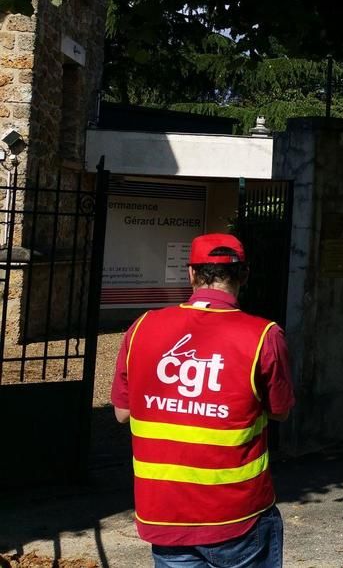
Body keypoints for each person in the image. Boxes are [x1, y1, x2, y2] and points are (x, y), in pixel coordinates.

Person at [110, 233, 294, 568]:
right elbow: (279, 411)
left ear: (191, 274)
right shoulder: (264, 336)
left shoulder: (141, 328)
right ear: (244, 275)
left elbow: (122, 413)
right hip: (238, 516)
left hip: (163, 514)